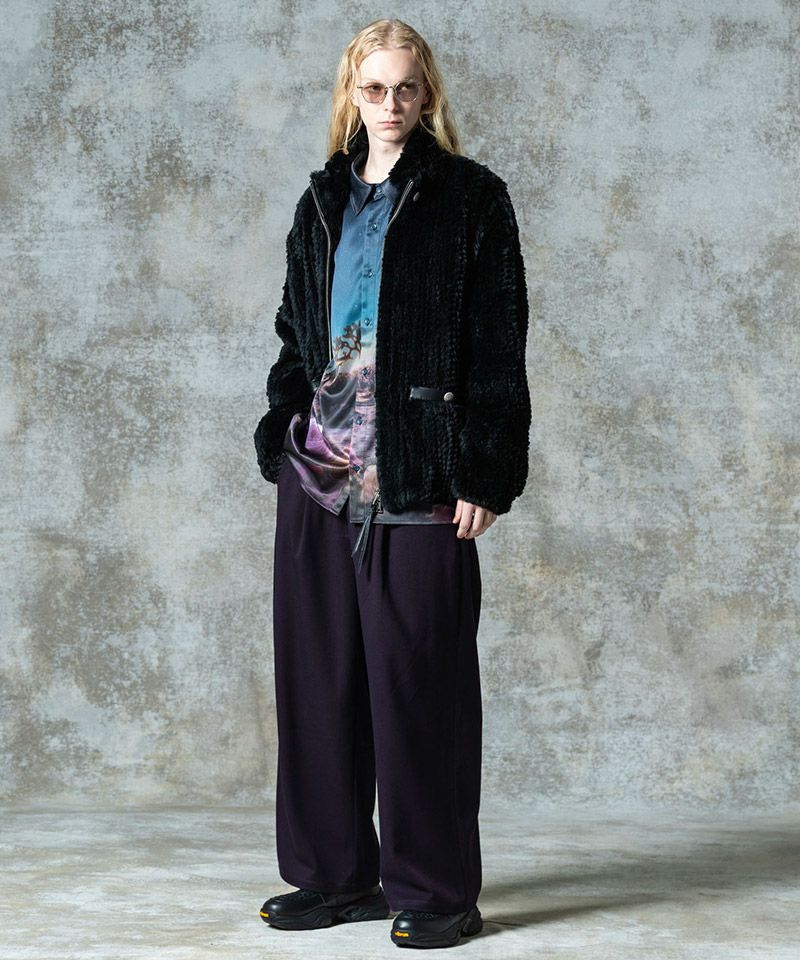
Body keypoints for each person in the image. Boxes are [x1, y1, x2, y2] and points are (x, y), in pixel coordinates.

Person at [253, 18, 530, 951]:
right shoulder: (321, 201)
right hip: (320, 475)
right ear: (352, 94)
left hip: (419, 475)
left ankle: (438, 891)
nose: (391, 103)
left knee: (421, 687)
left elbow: (498, 344)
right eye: (373, 88)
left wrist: (485, 468)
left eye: (406, 87)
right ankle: (334, 877)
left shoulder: (472, 199)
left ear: (428, 93)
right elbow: (294, 333)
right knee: (319, 684)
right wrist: (282, 433)